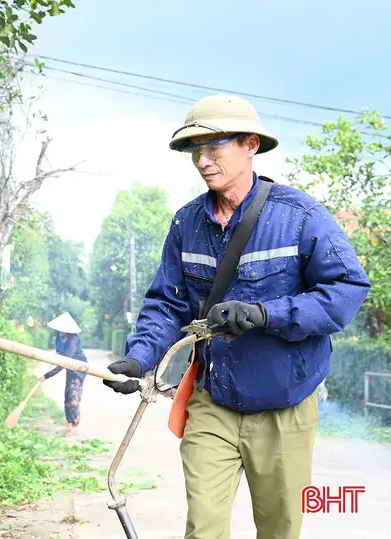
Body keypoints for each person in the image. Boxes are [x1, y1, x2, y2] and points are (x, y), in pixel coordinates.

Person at [102, 94, 371, 539]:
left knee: (279, 530)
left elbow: (347, 291)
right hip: (214, 401)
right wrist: (139, 357)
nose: (203, 161)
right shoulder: (186, 223)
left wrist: (266, 314)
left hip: (285, 405)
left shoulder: (300, 217)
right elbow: (166, 303)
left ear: (250, 144)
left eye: (215, 147)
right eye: (195, 151)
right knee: (202, 529)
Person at [39, 312, 88, 437]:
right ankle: (69, 423)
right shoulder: (58, 337)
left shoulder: (73, 340)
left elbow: (64, 362)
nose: (60, 331)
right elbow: (58, 353)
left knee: (73, 396)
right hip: (69, 368)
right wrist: (51, 361)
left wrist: (47, 376)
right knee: (67, 395)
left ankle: (75, 425)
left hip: (78, 369)